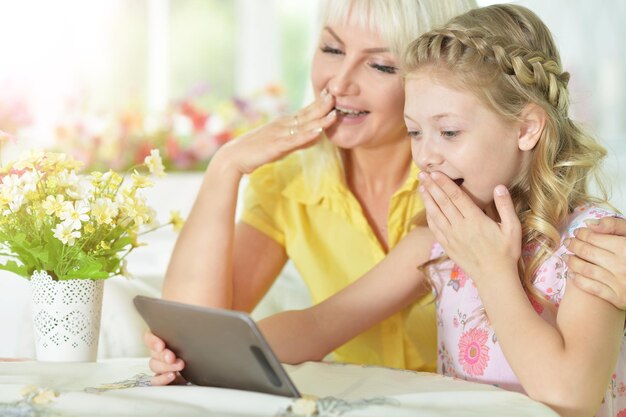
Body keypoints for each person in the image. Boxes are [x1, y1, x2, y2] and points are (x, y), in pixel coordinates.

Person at [149, 4, 625, 415]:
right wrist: (202, 357)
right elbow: (320, 324)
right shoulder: (438, 241)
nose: (428, 155)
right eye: (415, 132)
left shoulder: (594, 243)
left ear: (526, 129)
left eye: (450, 132)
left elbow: (568, 397)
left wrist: (491, 270)